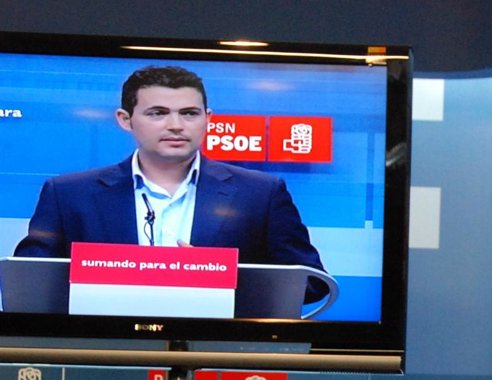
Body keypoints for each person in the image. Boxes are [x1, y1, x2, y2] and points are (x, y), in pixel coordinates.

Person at [14, 65, 328, 301]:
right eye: (158, 113)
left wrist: (220, 277)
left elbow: (313, 284)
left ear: (208, 119)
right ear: (125, 119)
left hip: (216, 354)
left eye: (189, 113)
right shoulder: (69, 194)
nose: (176, 125)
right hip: (105, 352)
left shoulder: (260, 193)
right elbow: (28, 284)